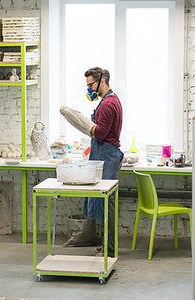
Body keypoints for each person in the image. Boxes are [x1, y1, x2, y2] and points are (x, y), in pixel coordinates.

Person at [84, 67, 124, 257]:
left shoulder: (108, 104)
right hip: (104, 153)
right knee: (101, 202)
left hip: (107, 154)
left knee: (107, 202)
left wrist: (85, 125)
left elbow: (100, 133)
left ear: (102, 81)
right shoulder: (109, 100)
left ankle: (110, 250)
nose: (89, 89)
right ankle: (106, 244)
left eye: (90, 85)